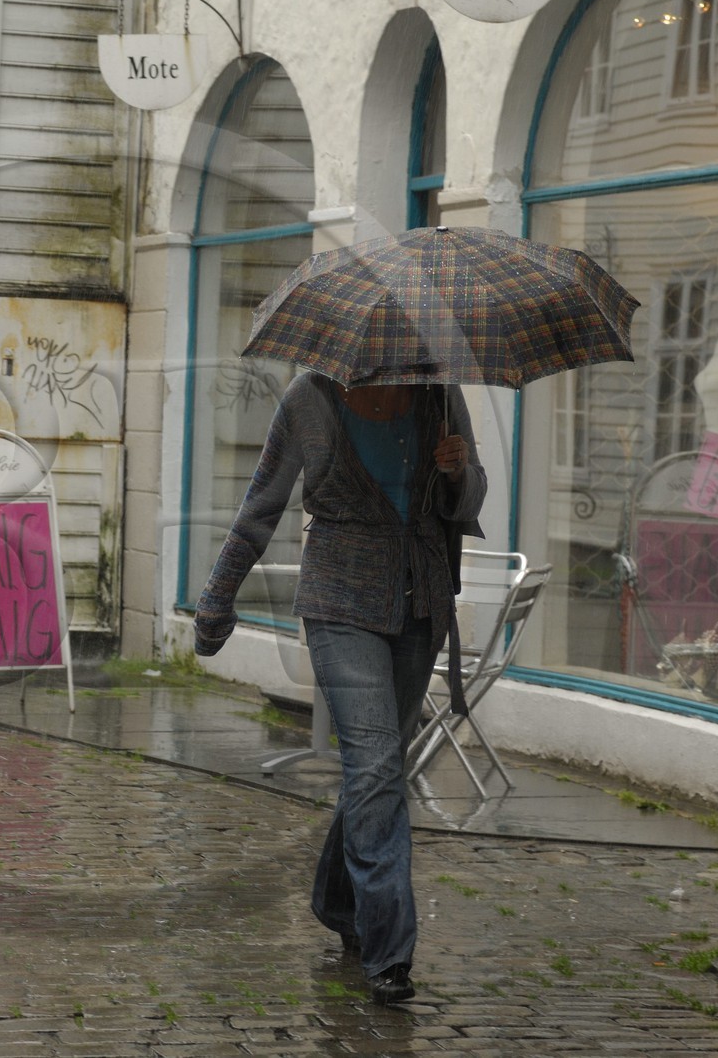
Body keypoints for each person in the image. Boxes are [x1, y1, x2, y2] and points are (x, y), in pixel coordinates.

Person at [194, 372, 486, 1004]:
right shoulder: (310, 399)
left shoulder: (438, 393)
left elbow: (470, 503)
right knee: (377, 763)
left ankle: (334, 897)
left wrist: (459, 472)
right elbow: (262, 505)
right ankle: (389, 953)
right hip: (340, 603)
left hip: (422, 603)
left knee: (378, 769)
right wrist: (216, 600)